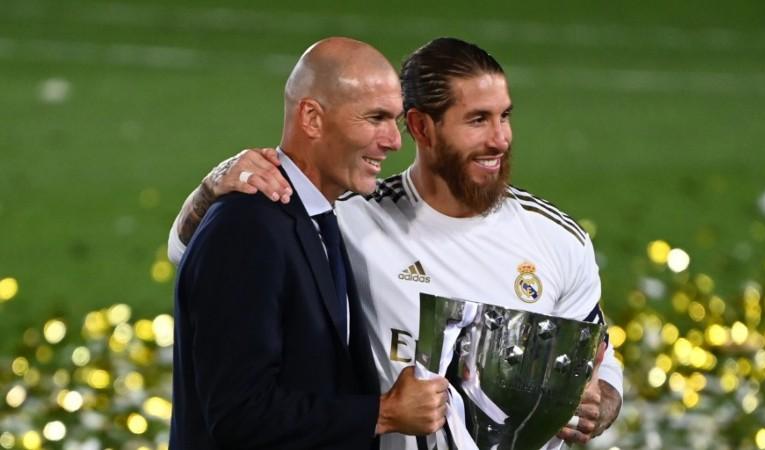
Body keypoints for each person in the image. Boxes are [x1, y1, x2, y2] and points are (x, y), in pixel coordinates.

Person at [169, 37, 623, 449]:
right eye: (478, 120)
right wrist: (216, 184)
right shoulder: (348, 216)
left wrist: (599, 403)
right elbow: (192, 251)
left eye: (505, 116)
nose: (500, 139)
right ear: (423, 129)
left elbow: (599, 360)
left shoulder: (557, 238)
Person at [169, 37, 449, 450]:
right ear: (312, 119)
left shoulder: (318, 217)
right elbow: (239, 414)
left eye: (395, 121)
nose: (393, 141)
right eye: (375, 118)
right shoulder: (248, 229)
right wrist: (383, 412)